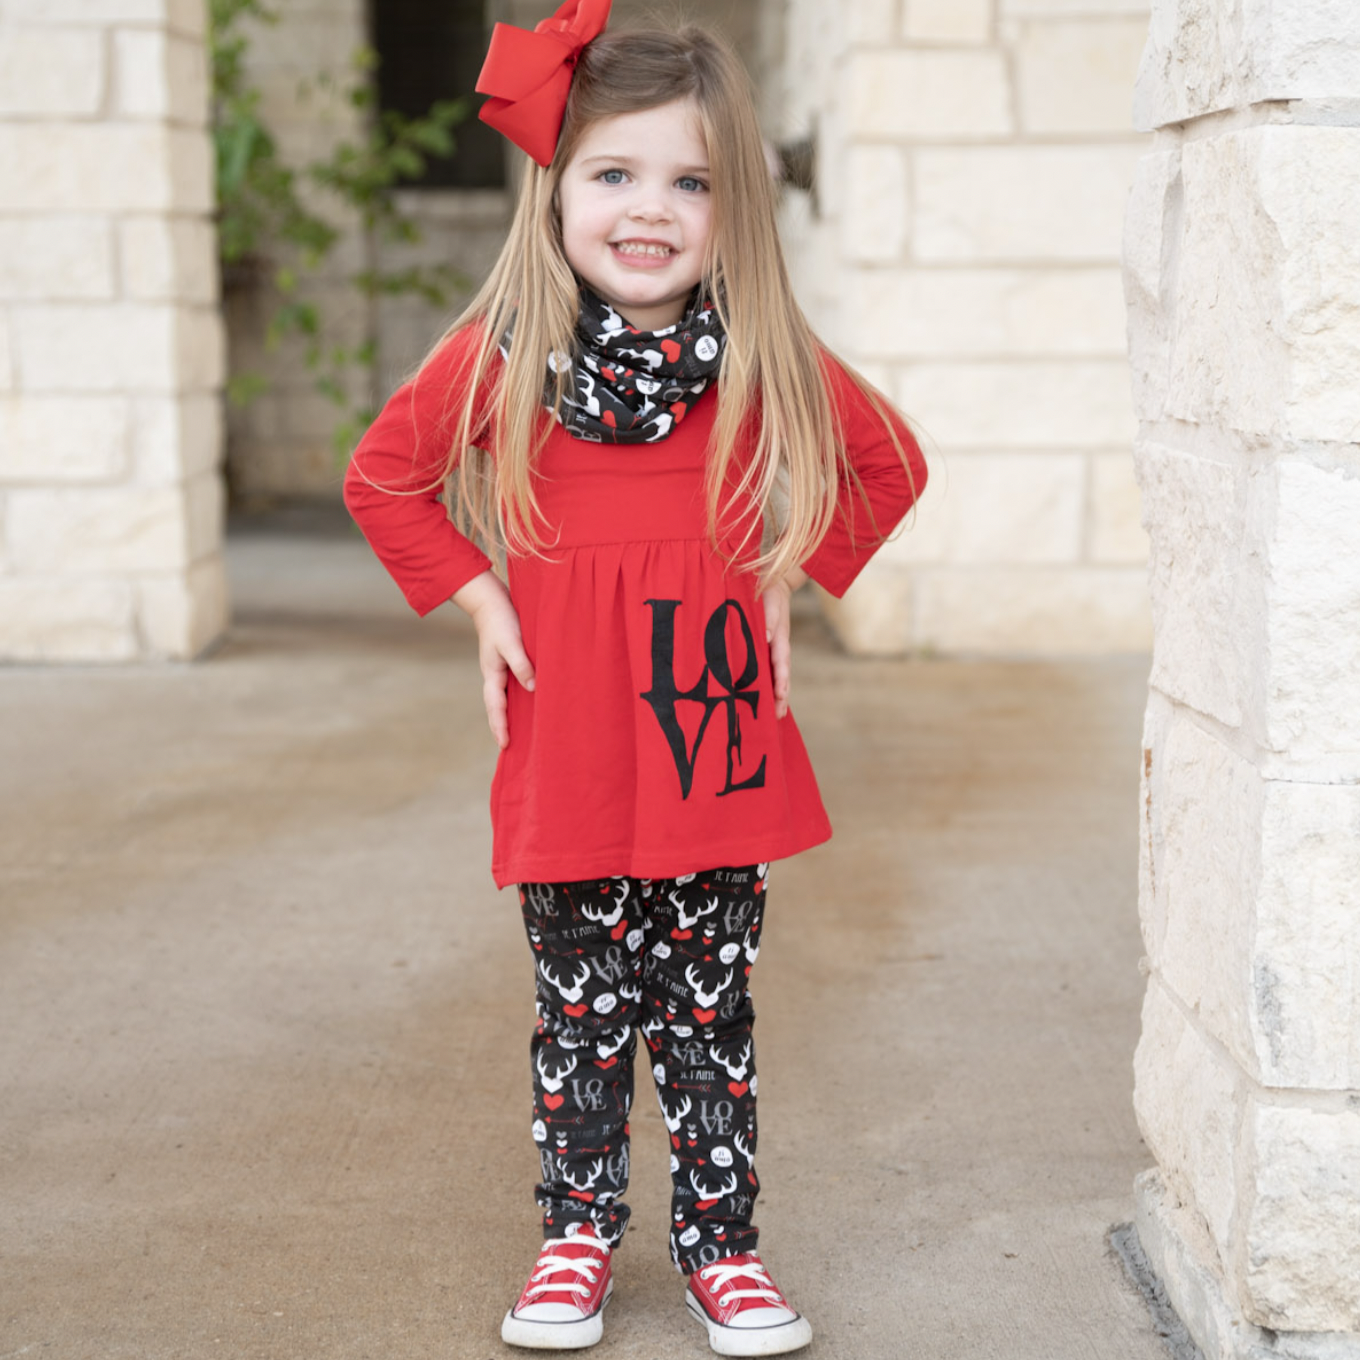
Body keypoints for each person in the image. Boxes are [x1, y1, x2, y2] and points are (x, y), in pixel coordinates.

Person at [343, 1, 927, 1353]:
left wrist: (787, 573)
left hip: (711, 748)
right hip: (574, 752)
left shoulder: (762, 353)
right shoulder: (503, 354)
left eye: (690, 181)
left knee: (709, 1008)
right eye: (615, 173)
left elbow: (887, 463)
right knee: (585, 1011)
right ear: (557, 190)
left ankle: (725, 1251)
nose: (649, 209)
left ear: (734, 209)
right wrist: (481, 598)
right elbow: (385, 477)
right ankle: (576, 1240)